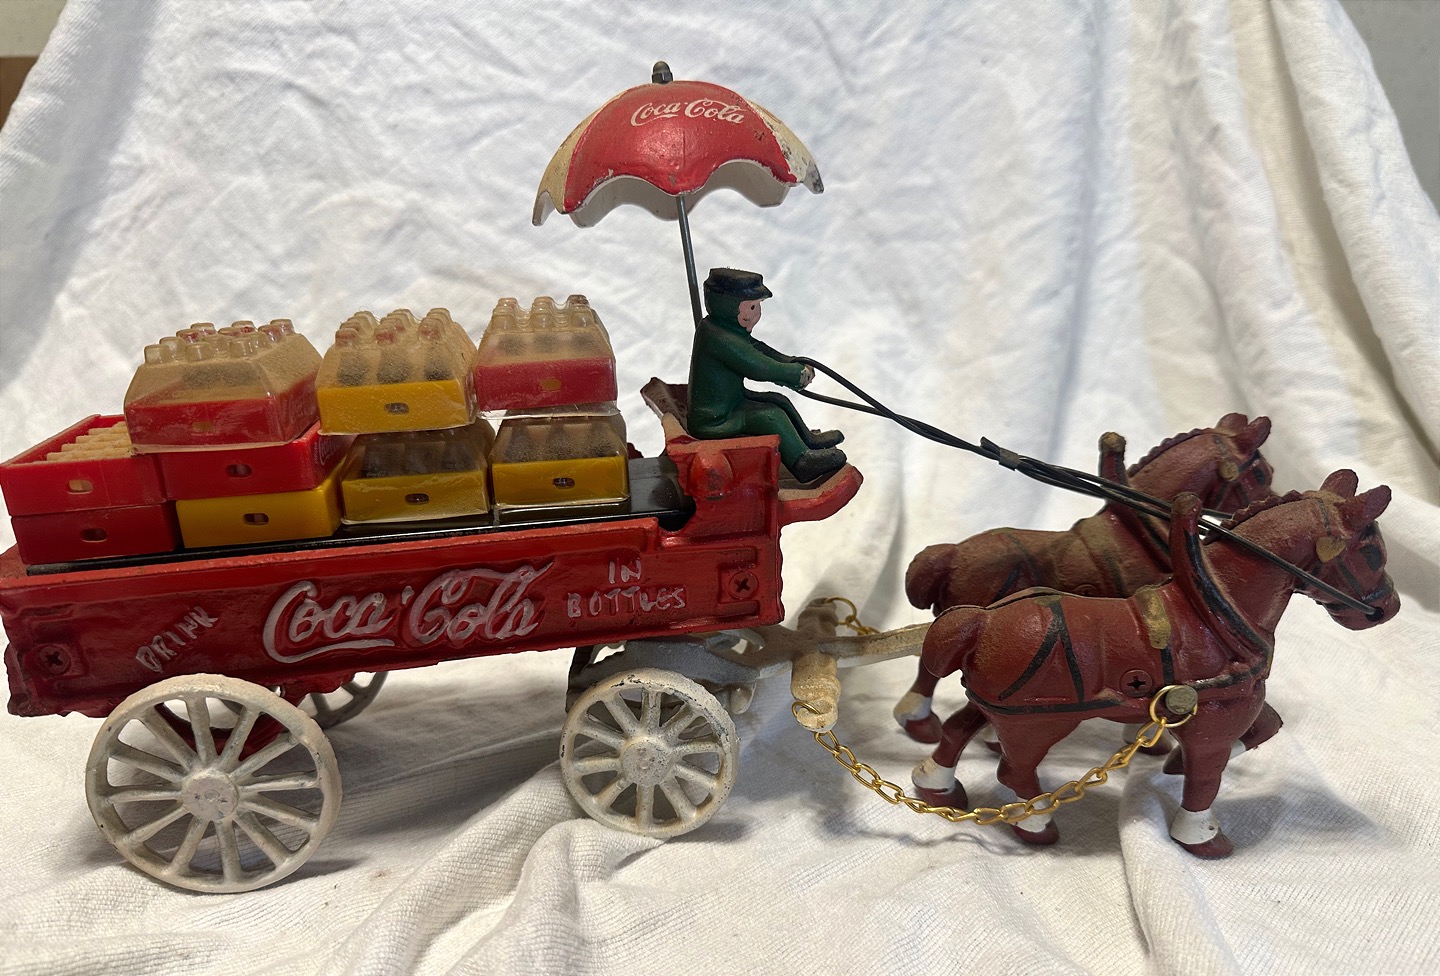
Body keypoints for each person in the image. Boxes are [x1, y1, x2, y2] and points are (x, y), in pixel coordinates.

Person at [686, 268, 846, 483]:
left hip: (732, 402)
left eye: (758, 306)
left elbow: (759, 349)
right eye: (752, 306)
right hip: (715, 420)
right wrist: (795, 375)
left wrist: (789, 361)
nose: (756, 313)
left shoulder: (726, 329)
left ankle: (808, 440)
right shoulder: (719, 337)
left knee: (778, 400)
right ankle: (802, 463)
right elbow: (758, 366)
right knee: (770, 415)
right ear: (729, 307)